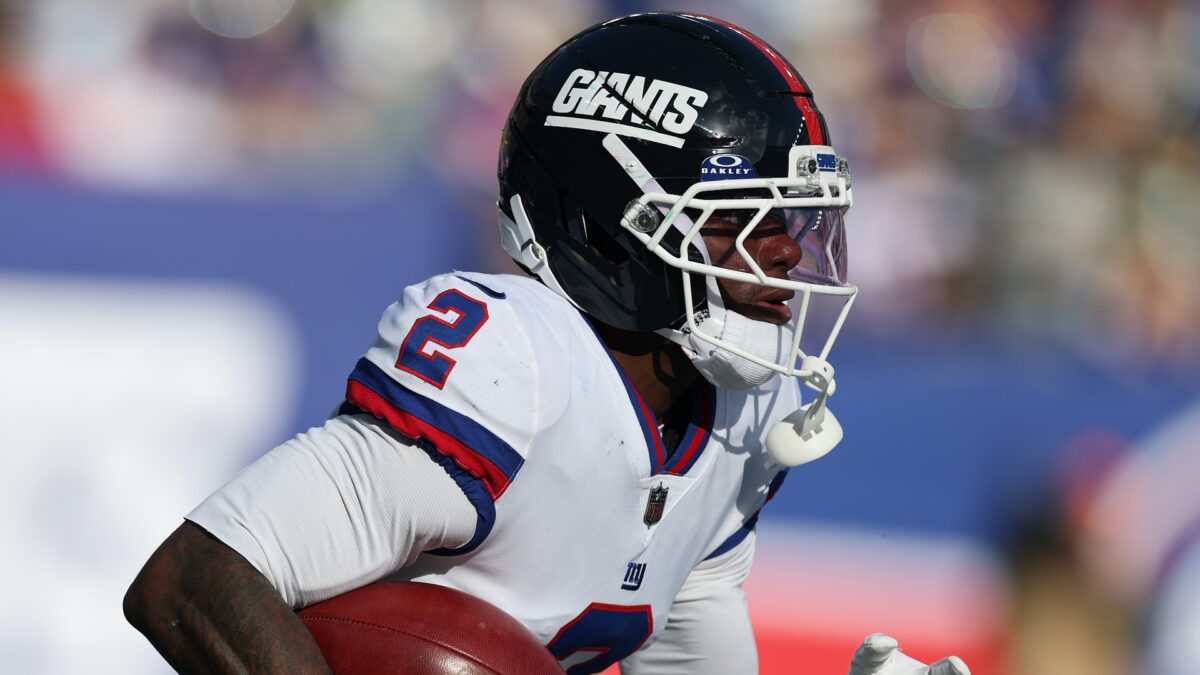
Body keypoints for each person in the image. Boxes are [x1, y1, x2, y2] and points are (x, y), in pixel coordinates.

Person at [124, 12, 969, 675]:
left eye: (790, 216)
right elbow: (193, 579)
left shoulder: (746, 415)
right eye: (737, 217)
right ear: (602, 229)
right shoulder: (517, 364)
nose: (784, 249)